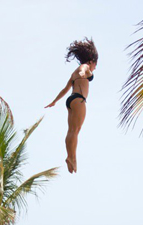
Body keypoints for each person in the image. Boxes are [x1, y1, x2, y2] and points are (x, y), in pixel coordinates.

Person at [45, 38, 98, 174]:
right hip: (79, 100)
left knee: (71, 130)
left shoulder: (73, 73)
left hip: (70, 100)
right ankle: (71, 157)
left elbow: (65, 89)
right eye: (95, 65)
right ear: (91, 61)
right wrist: (83, 72)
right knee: (76, 130)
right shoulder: (84, 67)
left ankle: (71, 156)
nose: (95, 68)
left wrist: (54, 101)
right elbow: (83, 69)